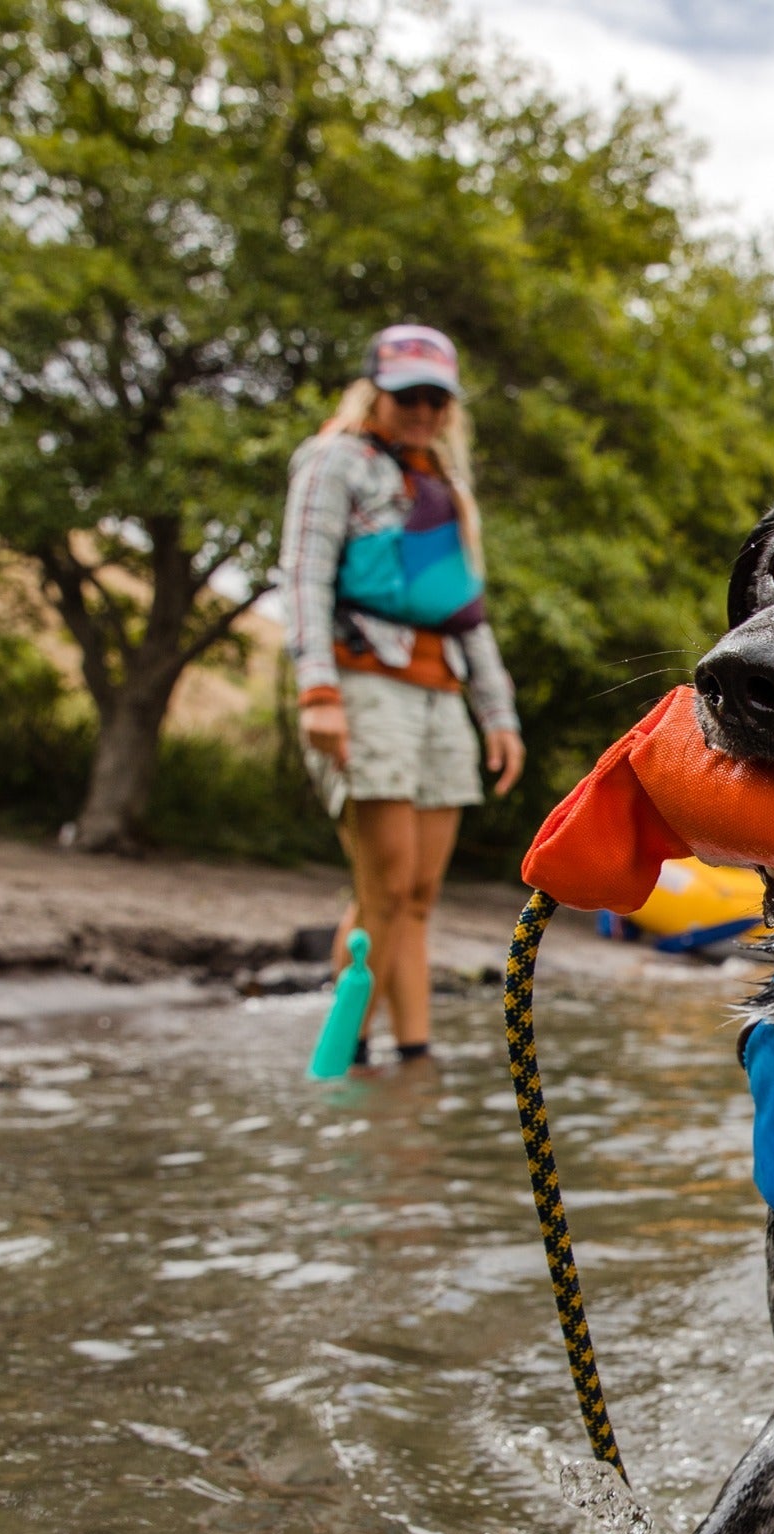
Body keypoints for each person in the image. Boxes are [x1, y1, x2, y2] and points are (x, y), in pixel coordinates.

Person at [281, 324, 525, 1065]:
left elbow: (467, 613)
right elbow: (304, 575)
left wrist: (497, 713)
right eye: (407, 395)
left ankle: (414, 1057)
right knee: (382, 886)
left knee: (418, 893)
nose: (421, 409)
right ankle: (343, 1056)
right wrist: (317, 691)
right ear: (375, 391)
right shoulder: (335, 460)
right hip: (364, 686)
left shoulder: (443, 482)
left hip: (438, 697)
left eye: (435, 398)